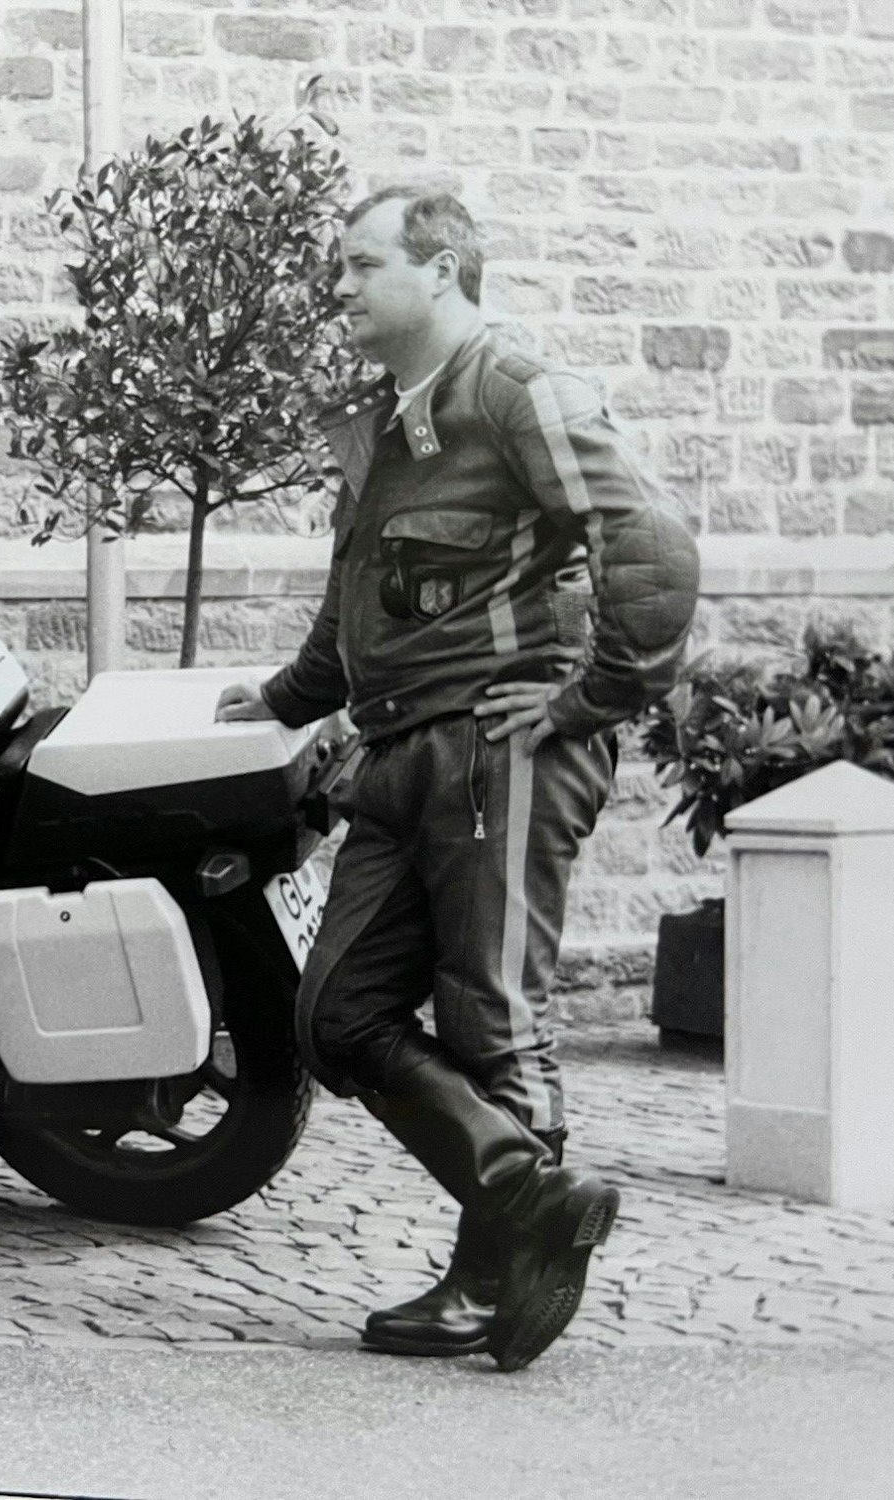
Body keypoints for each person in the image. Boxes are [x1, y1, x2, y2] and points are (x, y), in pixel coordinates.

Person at [217, 187, 699, 1370]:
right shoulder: (384, 422)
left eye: (359, 263)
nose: (336, 286)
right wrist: (290, 697)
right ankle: (534, 1194)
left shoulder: (514, 388)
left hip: (500, 749)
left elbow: (652, 541)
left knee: (490, 1014)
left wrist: (591, 697)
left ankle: (491, 1281)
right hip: (395, 755)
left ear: (437, 271)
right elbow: (359, 593)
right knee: (334, 1015)